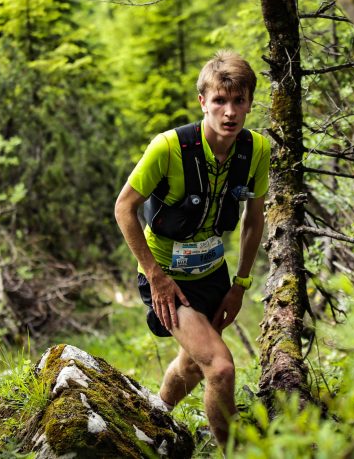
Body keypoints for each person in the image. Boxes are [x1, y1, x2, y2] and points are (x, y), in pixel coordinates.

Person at [114, 50, 270, 448]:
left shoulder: (256, 151)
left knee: (194, 363)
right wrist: (154, 274)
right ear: (203, 101)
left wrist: (241, 284)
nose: (229, 112)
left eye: (239, 101)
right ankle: (240, 452)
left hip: (213, 275)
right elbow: (124, 208)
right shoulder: (168, 147)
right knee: (219, 368)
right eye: (220, 100)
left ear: (250, 102)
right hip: (166, 277)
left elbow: (254, 220)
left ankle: (153, 422)